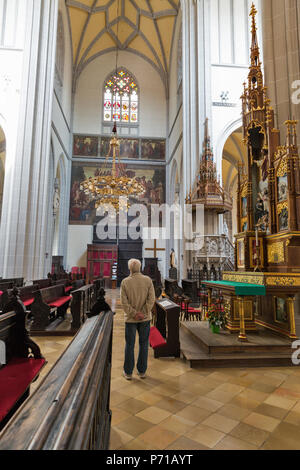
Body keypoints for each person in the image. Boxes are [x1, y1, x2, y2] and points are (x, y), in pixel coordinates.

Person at [120, 259, 156, 380]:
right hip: (145, 319)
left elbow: (124, 303)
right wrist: (144, 313)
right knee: (144, 344)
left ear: (129, 268)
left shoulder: (125, 282)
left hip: (130, 319)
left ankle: (128, 372)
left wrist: (134, 314)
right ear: (140, 268)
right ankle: (142, 372)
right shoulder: (147, 280)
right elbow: (152, 299)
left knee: (129, 345)